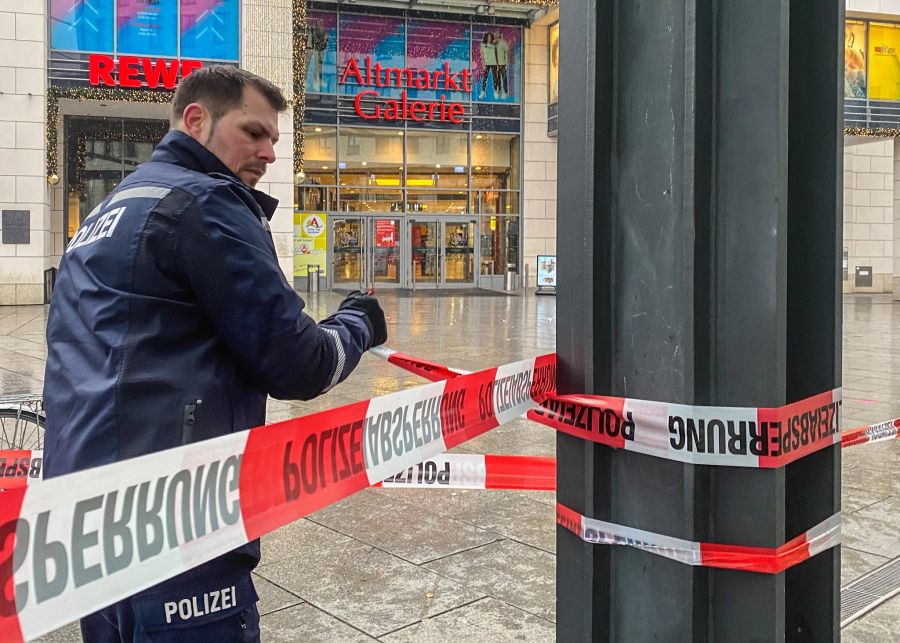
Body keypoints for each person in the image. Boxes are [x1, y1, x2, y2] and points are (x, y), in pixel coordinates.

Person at [43, 65, 387, 642]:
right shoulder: (206, 203)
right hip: (177, 524)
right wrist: (357, 324)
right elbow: (298, 362)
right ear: (197, 120)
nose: (270, 153)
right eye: (253, 133)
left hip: (88, 528)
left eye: (275, 139)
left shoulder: (115, 204)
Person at [479, 32, 497, 99]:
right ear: (486, 37)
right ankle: (483, 91)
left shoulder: (494, 45)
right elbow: (482, 55)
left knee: (495, 77)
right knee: (485, 78)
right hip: (487, 62)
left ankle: (495, 91)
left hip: (494, 62)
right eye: (488, 37)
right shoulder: (483, 44)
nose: (489, 38)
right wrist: (483, 64)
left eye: (490, 37)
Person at [494, 29, 509, 100]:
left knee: (504, 78)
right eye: (495, 34)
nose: (496, 35)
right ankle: (498, 90)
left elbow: (506, 54)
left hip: (502, 64)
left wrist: (506, 64)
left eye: (497, 33)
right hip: (496, 64)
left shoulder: (504, 42)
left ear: (500, 34)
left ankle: (505, 91)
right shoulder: (494, 43)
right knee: (497, 79)